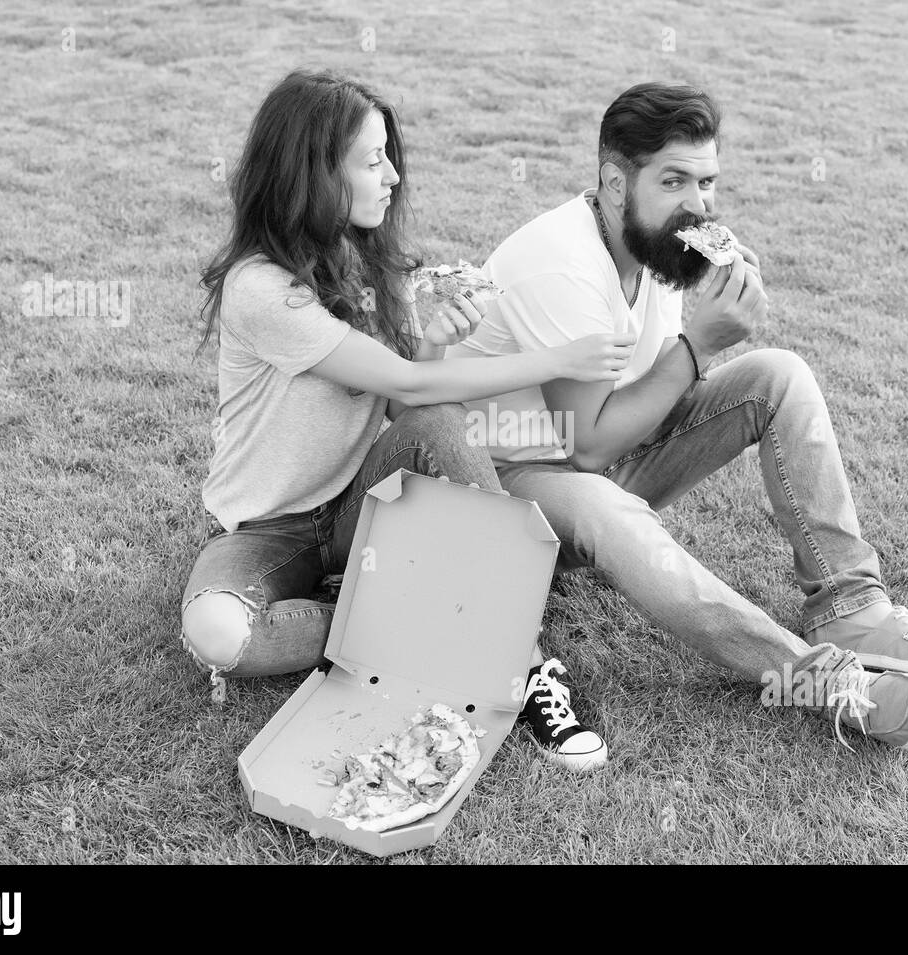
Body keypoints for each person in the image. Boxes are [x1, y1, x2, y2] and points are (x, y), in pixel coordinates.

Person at [444, 81, 908, 754]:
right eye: (674, 181)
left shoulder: (658, 249)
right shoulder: (560, 265)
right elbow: (585, 449)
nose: (698, 205)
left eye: (707, 183)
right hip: (508, 487)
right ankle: (830, 685)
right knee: (611, 509)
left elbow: (642, 404)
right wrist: (700, 343)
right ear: (616, 185)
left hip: (597, 456)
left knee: (778, 375)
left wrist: (707, 321)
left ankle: (852, 608)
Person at [180, 70, 632, 771]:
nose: (392, 176)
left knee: (444, 428)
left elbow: (410, 407)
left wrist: (437, 336)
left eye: (389, 155)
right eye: (371, 161)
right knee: (218, 634)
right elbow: (409, 380)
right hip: (270, 531)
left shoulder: (364, 265)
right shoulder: (261, 290)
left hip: (361, 506)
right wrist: (557, 357)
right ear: (313, 175)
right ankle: (403, 620)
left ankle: (527, 665)